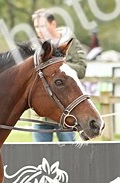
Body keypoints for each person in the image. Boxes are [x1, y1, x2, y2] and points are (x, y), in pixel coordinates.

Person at [31, 8, 87, 143]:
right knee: (40, 158)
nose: (39, 30)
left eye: (42, 26)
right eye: (37, 27)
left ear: (53, 24)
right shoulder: (34, 47)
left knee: (70, 156)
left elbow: (81, 69)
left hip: (67, 113)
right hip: (40, 115)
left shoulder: (71, 43)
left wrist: (59, 68)